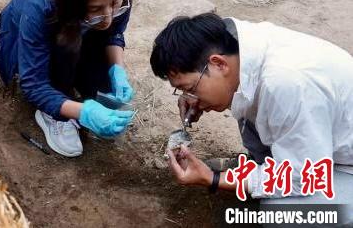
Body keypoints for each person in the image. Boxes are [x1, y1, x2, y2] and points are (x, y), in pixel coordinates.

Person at [149, 13, 353, 213]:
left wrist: (214, 179)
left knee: (281, 214)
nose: (190, 97)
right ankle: (261, 169)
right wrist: (196, 93)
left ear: (219, 64)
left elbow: (303, 176)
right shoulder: (238, 47)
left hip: (342, 164)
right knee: (245, 98)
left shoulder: (285, 84)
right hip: (322, 141)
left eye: (190, 88)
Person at [0, 0, 135, 157]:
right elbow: (34, 84)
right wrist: (84, 112)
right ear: (72, 3)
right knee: (62, 56)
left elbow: (113, 32)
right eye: (96, 9)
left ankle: (78, 87)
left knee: (106, 95)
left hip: (80, 31)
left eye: (115, 4)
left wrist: (117, 70)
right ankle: (53, 115)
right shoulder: (39, 7)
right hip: (44, 40)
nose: (108, 17)